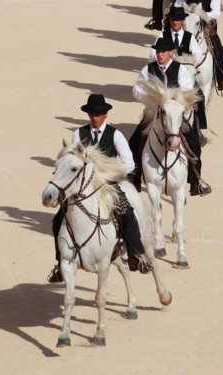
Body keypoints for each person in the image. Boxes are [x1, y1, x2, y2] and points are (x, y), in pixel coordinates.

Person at [47, 94, 153, 283]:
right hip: (83, 184)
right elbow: (73, 159)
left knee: (126, 211)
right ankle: (59, 265)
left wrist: (109, 174)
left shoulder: (116, 135)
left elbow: (129, 163)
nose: (94, 117)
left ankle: (136, 254)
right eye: (91, 114)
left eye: (97, 114)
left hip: (108, 184)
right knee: (58, 219)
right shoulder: (79, 134)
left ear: (105, 114)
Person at [129, 38, 211, 197]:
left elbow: (187, 89)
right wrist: (150, 96)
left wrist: (171, 97)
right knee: (133, 141)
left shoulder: (180, 69)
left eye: (163, 52)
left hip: (174, 114)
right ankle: (135, 176)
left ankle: (195, 181)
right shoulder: (147, 69)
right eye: (158, 51)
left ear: (171, 53)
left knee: (193, 142)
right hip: (152, 113)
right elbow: (137, 89)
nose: (159, 54)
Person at [150, 6, 208, 140]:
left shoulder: (189, 37)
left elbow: (198, 55)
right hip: (167, 78)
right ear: (169, 21)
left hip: (186, 76)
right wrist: (169, 61)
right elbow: (152, 55)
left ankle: (202, 129)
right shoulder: (162, 35)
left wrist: (186, 63)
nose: (174, 22)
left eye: (177, 19)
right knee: (152, 105)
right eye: (172, 20)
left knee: (199, 98)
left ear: (182, 20)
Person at [174, 0, 223, 90]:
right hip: (186, 23)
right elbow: (176, 5)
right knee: (167, 43)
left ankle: (222, 79)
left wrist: (201, 14)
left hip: (205, 25)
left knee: (219, 48)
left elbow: (216, 13)